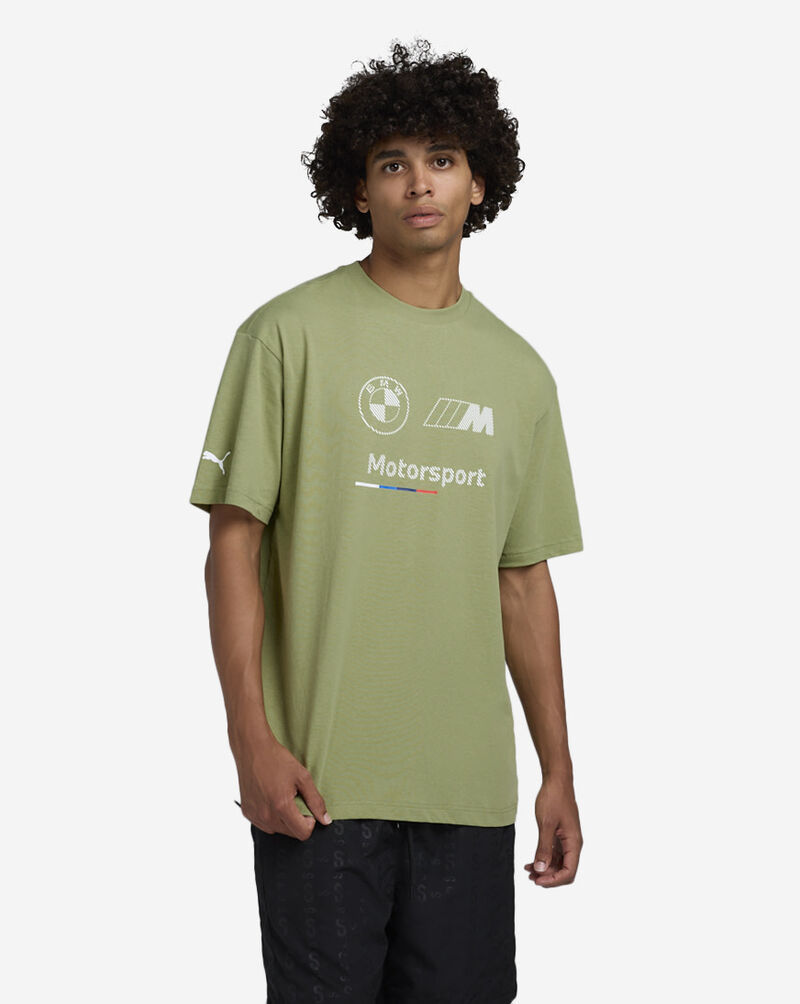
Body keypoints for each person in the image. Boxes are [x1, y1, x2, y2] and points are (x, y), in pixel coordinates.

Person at [189, 37, 585, 1003]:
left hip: (468, 798)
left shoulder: (520, 374)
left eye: (442, 160)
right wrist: (250, 740)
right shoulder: (284, 337)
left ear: (479, 183)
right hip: (321, 789)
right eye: (392, 163)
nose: (419, 183)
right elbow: (233, 544)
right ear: (358, 190)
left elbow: (522, 581)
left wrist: (558, 769)